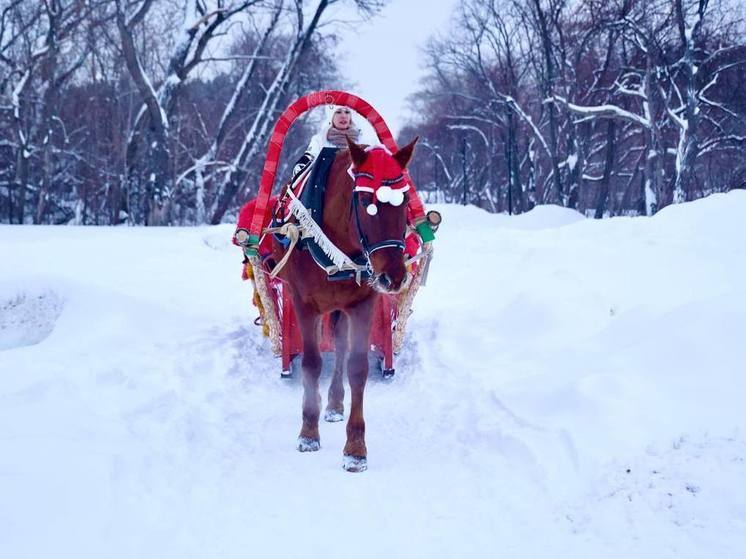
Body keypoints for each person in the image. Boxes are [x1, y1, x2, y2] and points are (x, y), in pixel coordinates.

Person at [292, 105, 361, 177]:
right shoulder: (320, 139)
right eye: (338, 112)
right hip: (323, 183)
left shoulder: (362, 141)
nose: (343, 116)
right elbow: (310, 157)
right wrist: (301, 166)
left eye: (347, 112)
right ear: (331, 117)